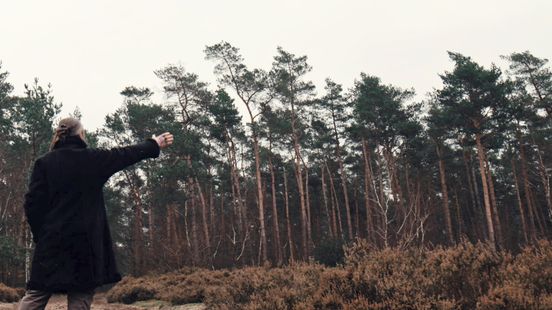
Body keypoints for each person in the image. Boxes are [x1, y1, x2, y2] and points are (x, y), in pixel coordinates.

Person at [18, 117, 174, 310]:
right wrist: (153, 144)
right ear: (81, 134)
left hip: (51, 241)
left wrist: (40, 235)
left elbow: (32, 205)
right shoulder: (93, 159)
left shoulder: (44, 163)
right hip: (85, 243)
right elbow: (125, 154)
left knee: (36, 294)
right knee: (80, 296)